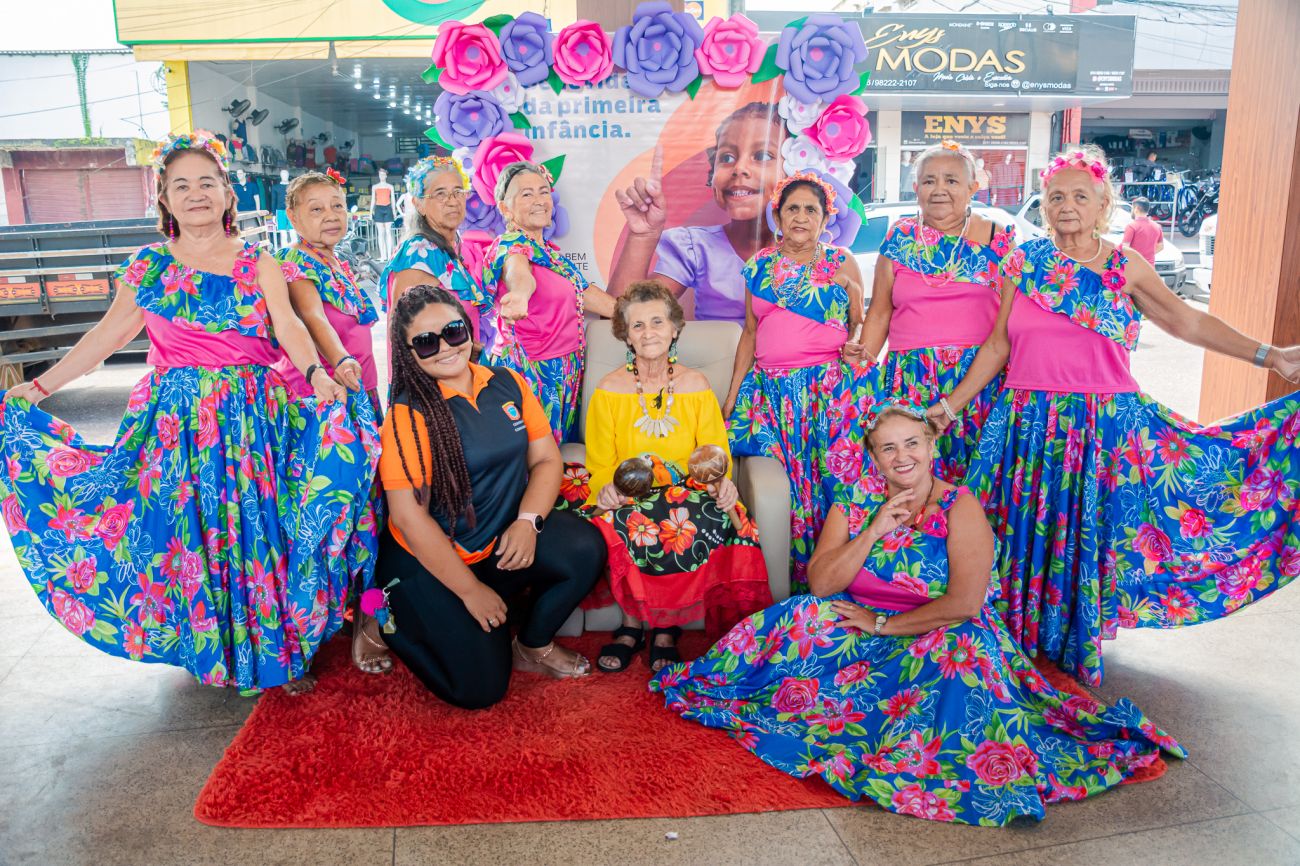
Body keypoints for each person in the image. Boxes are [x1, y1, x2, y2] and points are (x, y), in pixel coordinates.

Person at [652, 402, 1185, 826]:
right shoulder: (854, 500)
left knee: (963, 654)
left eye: (911, 443)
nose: (901, 456)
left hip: (938, 630)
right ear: (875, 457)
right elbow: (822, 583)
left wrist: (884, 625)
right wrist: (873, 530)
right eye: (888, 448)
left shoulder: (960, 506)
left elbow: (965, 604)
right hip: (859, 619)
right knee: (801, 616)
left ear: (931, 446)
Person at [0, 131, 380, 694]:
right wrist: (41, 386)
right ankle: (215, 650)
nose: (195, 193)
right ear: (165, 199)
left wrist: (318, 373)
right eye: (181, 186)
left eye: (207, 182)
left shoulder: (259, 261)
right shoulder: (148, 266)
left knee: (257, 532)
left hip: (251, 421)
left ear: (227, 193)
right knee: (194, 536)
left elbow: (290, 326)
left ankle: (270, 653)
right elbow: (106, 337)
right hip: (175, 426)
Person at [939, 146, 1300, 685]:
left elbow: (1186, 322)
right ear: (1043, 204)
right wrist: (948, 407)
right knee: (1017, 536)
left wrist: (1269, 356)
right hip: (1027, 423)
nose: (1066, 205)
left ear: (1103, 204)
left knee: (1087, 537)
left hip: (1100, 428)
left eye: (1080, 196)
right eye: (1055, 196)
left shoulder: (1124, 266)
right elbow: (996, 347)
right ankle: (1018, 643)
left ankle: (1069, 646)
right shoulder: (1022, 262)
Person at [375, 283, 605, 708]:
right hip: (432, 561)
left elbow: (546, 460)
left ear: (468, 329)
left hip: (496, 544)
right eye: (426, 342)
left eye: (453, 332)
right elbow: (408, 518)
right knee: (479, 690)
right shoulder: (408, 414)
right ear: (409, 353)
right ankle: (379, 616)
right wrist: (469, 591)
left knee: (584, 547)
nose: (446, 348)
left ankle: (531, 645)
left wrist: (528, 523)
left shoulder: (507, 382)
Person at [570, 281, 772, 674]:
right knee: (629, 518)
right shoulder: (609, 389)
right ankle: (631, 625)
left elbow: (713, 451)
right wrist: (608, 489)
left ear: (675, 328)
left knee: (696, 516)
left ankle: (666, 629)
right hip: (629, 487)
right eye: (638, 325)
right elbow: (600, 461)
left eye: (657, 322)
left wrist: (722, 482)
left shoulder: (696, 384)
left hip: (687, 486)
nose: (648, 332)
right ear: (625, 334)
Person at [844, 140, 1015, 492]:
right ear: (916, 187)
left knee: (976, 484)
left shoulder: (998, 239)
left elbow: (1009, 328)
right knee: (910, 481)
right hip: (910, 381)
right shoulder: (899, 237)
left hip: (977, 382)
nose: (939, 190)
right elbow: (880, 313)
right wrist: (859, 372)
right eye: (929, 181)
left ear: (972, 187)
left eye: (951, 180)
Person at [723, 172, 866, 594]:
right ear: (778, 216)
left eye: (811, 210)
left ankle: (840, 580)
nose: (801, 217)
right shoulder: (759, 266)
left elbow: (859, 325)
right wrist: (733, 394)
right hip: (772, 395)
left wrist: (854, 344)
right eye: (793, 209)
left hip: (828, 394)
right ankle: (792, 584)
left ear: (825, 218)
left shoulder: (841, 262)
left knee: (834, 483)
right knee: (788, 490)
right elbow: (750, 333)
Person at [272, 167, 390, 676]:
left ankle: (364, 617)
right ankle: (303, 636)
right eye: (315, 209)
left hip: (361, 399)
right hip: (324, 410)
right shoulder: (295, 266)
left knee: (369, 514)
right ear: (293, 217)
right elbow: (311, 318)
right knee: (328, 520)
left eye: (337, 206)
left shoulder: (337, 261)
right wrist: (340, 362)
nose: (330, 216)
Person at [609, 102, 787, 324]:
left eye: (762, 155)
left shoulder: (814, 254)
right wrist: (643, 235)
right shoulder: (696, 247)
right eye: (727, 158)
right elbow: (622, 318)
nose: (739, 168)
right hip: (718, 349)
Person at [486, 161, 617, 444]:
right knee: (536, 455)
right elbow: (519, 274)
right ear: (505, 208)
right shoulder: (510, 246)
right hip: (532, 373)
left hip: (564, 371)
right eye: (527, 194)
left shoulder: (551, 255)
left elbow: (585, 293)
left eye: (543, 192)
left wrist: (636, 316)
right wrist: (519, 295)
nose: (539, 200)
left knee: (559, 456)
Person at [378, 155, 495, 349]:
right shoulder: (418, 254)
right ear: (419, 204)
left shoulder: (454, 247)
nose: (452, 201)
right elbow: (400, 334)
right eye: (440, 194)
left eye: (458, 192)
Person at [1122, 196, 1164, 266]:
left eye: (1132, 208)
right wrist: (1149, 254)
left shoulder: (1131, 226)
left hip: (1134, 267)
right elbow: (1161, 246)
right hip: (1150, 267)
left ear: (1136, 209)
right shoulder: (1157, 226)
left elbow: (1125, 249)